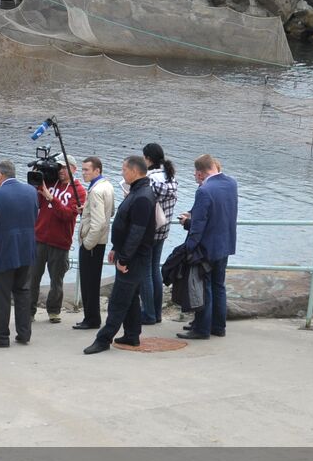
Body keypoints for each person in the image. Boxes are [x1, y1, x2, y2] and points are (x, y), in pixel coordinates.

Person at [84, 156, 157, 355]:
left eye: (124, 170)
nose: (122, 173)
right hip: (129, 253)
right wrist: (117, 248)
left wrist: (124, 258)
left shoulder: (142, 196)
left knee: (118, 299)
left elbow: (137, 232)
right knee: (131, 296)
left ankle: (103, 338)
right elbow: (126, 226)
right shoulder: (138, 191)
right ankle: (132, 335)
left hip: (134, 257)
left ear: (134, 171)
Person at [0, 160, 39, 347]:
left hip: (4, 250)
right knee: (23, 292)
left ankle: (1, 336)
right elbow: (35, 216)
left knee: (1, 295)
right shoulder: (31, 191)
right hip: (26, 249)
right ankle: (24, 333)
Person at [178, 155, 238, 340]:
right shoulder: (231, 183)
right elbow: (219, 212)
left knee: (204, 286)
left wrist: (188, 231)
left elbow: (199, 226)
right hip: (225, 243)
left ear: (200, 172)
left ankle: (202, 328)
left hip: (207, 247)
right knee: (219, 285)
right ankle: (218, 326)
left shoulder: (204, 190)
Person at [29, 161, 86, 324]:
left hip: (60, 242)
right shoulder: (50, 182)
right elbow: (37, 203)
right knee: (32, 278)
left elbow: (68, 215)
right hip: (39, 238)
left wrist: (51, 198)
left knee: (57, 280)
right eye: (59, 167)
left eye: (64, 167)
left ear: (74, 169)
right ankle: (29, 311)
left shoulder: (79, 191)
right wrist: (37, 184)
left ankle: (54, 311)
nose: (60, 171)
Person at [73, 156, 115, 330]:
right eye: (82, 169)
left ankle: (91, 318)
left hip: (93, 243)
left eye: (86, 170)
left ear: (97, 170)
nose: (83, 173)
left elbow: (99, 223)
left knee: (89, 282)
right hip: (100, 241)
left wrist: (87, 243)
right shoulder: (107, 186)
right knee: (92, 280)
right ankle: (92, 317)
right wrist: (87, 210)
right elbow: (110, 212)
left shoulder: (96, 190)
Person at [139, 143, 179, 325]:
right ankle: (157, 313)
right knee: (155, 269)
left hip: (148, 230)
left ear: (148, 159)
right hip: (163, 229)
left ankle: (148, 313)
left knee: (145, 271)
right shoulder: (170, 177)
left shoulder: (149, 178)